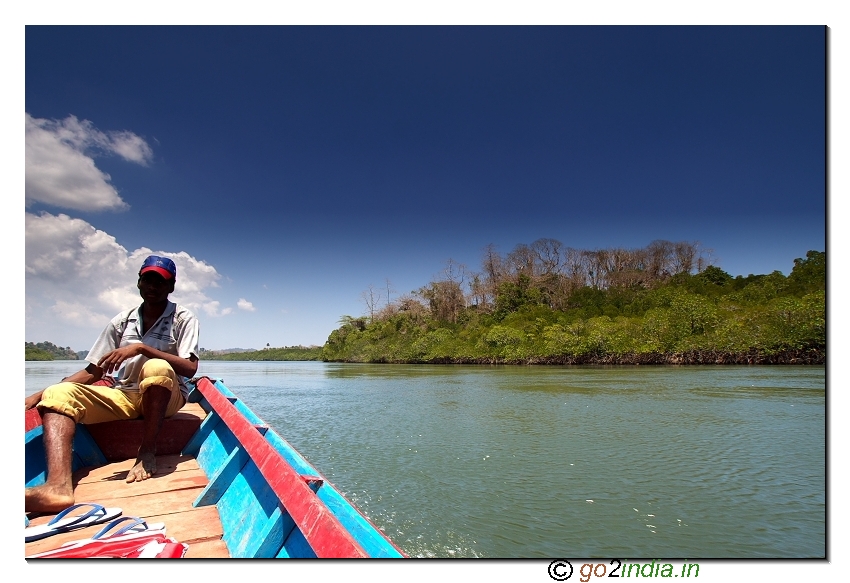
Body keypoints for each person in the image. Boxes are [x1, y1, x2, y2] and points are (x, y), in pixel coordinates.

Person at [25, 255, 200, 514]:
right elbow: (94, 371)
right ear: (139, 283)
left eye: (160, 282)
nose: (152, 286)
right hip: (126, 394)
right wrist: (41, 394)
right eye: (147, 280)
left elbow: (190, 368)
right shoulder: (122, 320)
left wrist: (141, 348)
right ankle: (57, 488)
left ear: (171, 287)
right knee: (57, 394)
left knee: (157, 368)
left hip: (166, 398)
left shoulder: (183, 318)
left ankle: (147, 450)